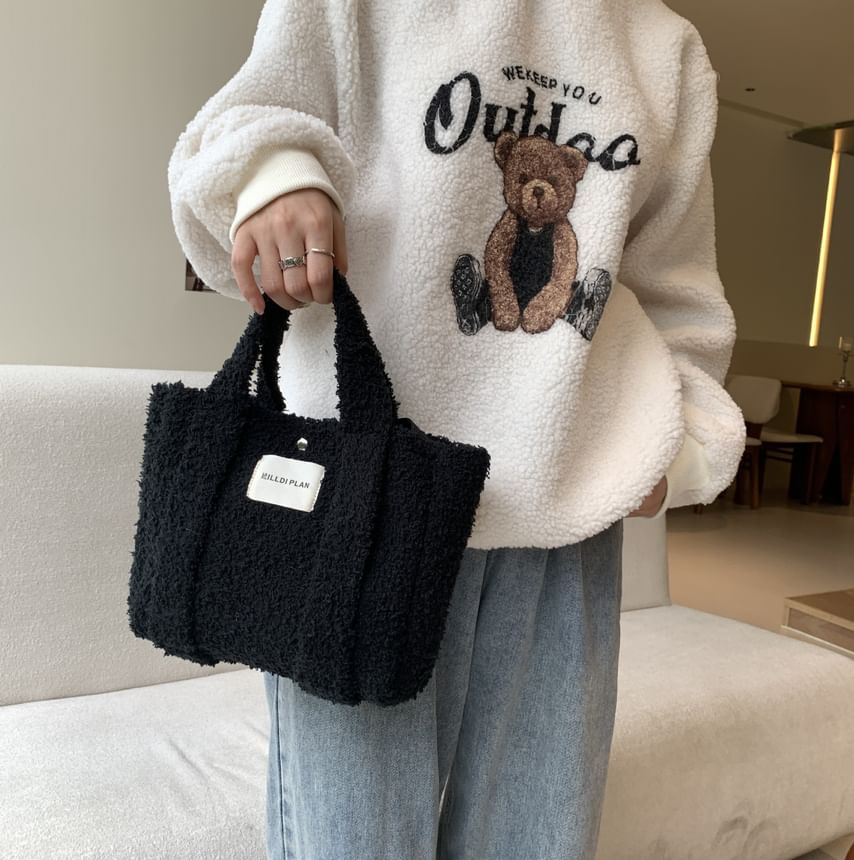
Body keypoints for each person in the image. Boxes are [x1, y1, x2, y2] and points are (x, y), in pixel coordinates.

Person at [167, 1, 747, 856]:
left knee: (539, 836)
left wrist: (683, 443)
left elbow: (677, 290)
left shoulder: (666, 51)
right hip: (361, 497)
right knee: (352, 839)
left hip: (566, 505)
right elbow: (249, 114)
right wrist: (278, 174)